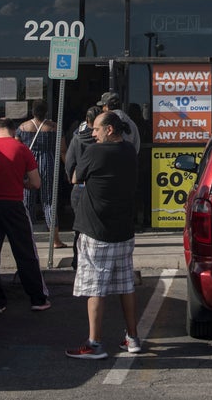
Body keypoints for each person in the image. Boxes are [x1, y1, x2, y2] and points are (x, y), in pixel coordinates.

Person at [65, 111, 141, 359]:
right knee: (125, 285)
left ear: (110, 129)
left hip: (97, 231)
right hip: (124, 231)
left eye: (96, 129)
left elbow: (76, 177)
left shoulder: (96, 152)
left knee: (95, 288)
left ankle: (94, 343)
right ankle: (132, 337)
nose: (93, 134)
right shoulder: (129, 150)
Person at [0, 116, 51, 314]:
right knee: (25, 252)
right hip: (14, 205)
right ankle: (37, 298)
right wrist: (22, 183)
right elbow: (35, 183)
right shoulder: (22, 149)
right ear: (14, 131)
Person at [19, 100, 66, 248]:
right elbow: (62, 149)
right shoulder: (54, 127)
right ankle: (55, 240)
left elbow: (17, 148)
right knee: (49, 201)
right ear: (46, 111)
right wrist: (69, 168)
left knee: (27, 201)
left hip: (29, 165)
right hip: (48, 163)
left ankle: (26, 238)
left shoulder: (23, 127)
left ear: (32, 111)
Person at [63, 106, 99, 271]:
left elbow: (69, 163)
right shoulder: (102, 141)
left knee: (79, 228)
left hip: (79, 187)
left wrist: (73, 176)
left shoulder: (77, 139)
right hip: (98, 189)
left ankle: (78, 261)